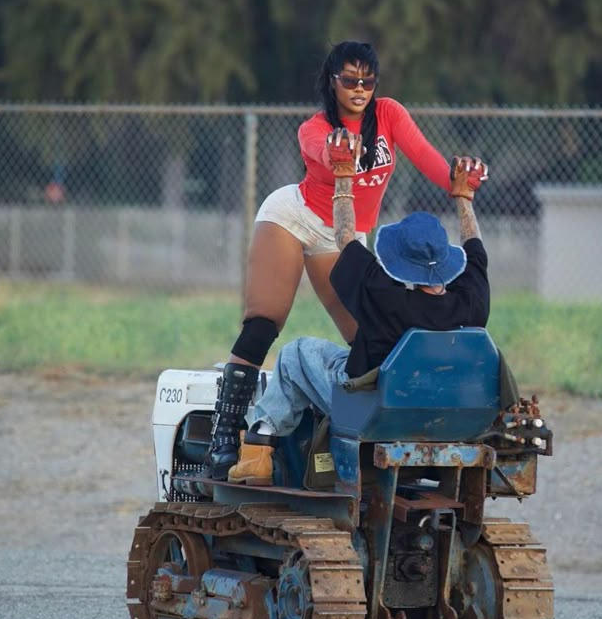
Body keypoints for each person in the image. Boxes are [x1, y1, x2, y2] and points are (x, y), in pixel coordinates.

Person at [205, 40, 461, 481]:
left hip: (343, 235)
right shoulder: (316, 127)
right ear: (333, 82)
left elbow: (426, 158)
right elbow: (321, 152)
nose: (359, 88)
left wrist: (459, 180)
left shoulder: (390, 115)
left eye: (368, 80)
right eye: (349, 80)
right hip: (295, 216)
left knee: (368, 335)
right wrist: (338, 151)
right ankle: (225, 436)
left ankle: (376, 437)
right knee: (264, 323)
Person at [226, 130, 489, 485]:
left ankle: (258, 447)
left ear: (397, 260)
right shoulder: (472, 298)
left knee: (297, 353)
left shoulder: (384, 296)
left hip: (376, 413)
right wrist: (464, 197)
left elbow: (344, 236)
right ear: (444, 258)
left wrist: (344, 176)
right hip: (446, 410)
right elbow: (475, 246)